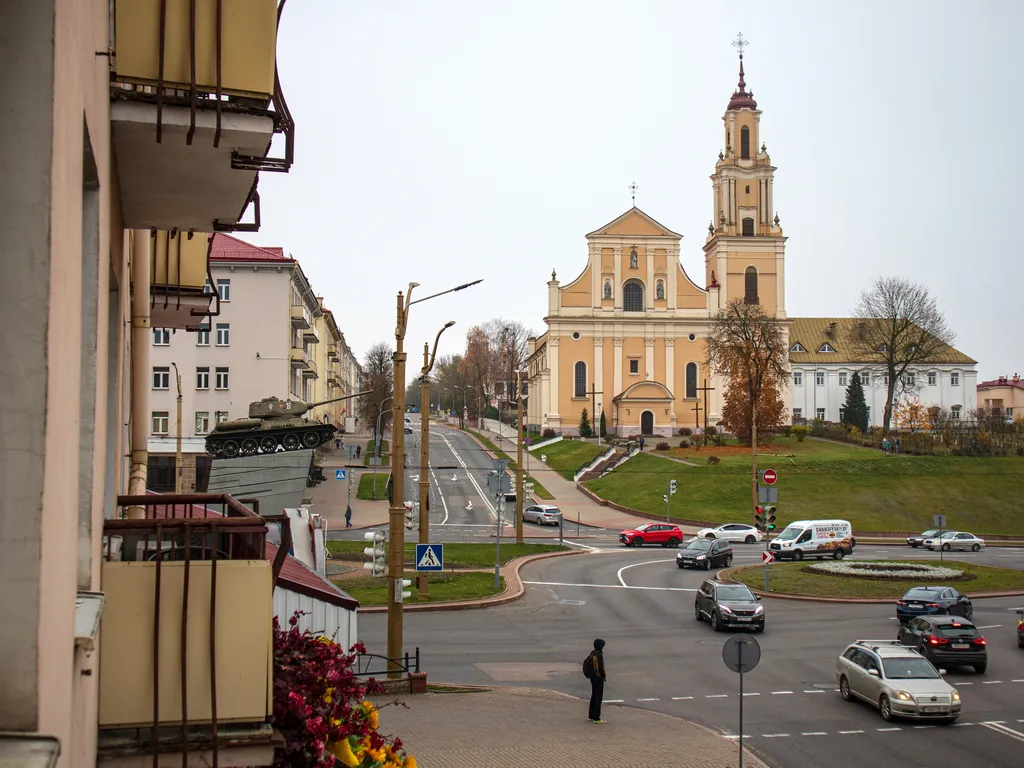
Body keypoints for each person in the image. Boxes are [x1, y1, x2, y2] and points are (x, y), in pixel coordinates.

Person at [586, 638, 607, 723]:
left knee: (594, 695)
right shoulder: (599, 655)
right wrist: (603, 676)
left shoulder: (592, 653)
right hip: (598, 677)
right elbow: (601, 668)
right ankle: (596, 718)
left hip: (592, 677)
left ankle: (591, 715)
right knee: (598, 697)